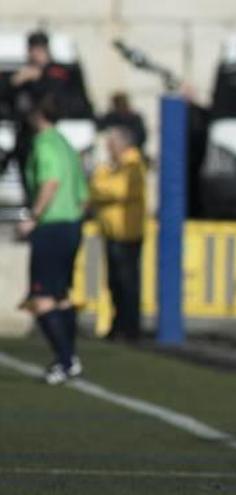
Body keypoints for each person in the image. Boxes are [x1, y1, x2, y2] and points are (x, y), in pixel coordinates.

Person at [17, 96, 88, 385]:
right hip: (71, 224)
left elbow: (50, 182)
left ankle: (65, 359)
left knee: (42, 297)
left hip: (52, 226)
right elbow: (83, 194)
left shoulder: (45, 143)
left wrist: (34, 216)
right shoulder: (65, 143)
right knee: (60, 296)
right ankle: (71, 357)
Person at [0, 31, 92, 187]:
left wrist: (39, 79)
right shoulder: (23, 74)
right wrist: (14, 81)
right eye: (31, 50)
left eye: (37, 50)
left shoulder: (58, 72)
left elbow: (64, 98)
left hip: (54, 132)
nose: (33, 55)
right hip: (25, 134)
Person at [90, 126, 147, 342]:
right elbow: (97, 187)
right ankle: (118, 324)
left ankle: (129, 327)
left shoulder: (133, 164)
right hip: (112, 232)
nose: (108, 149)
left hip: (127, 233)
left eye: (111, 144)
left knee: (127, 282)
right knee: (115, 281)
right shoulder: (113, 167)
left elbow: (117, 190)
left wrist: (101, 186)